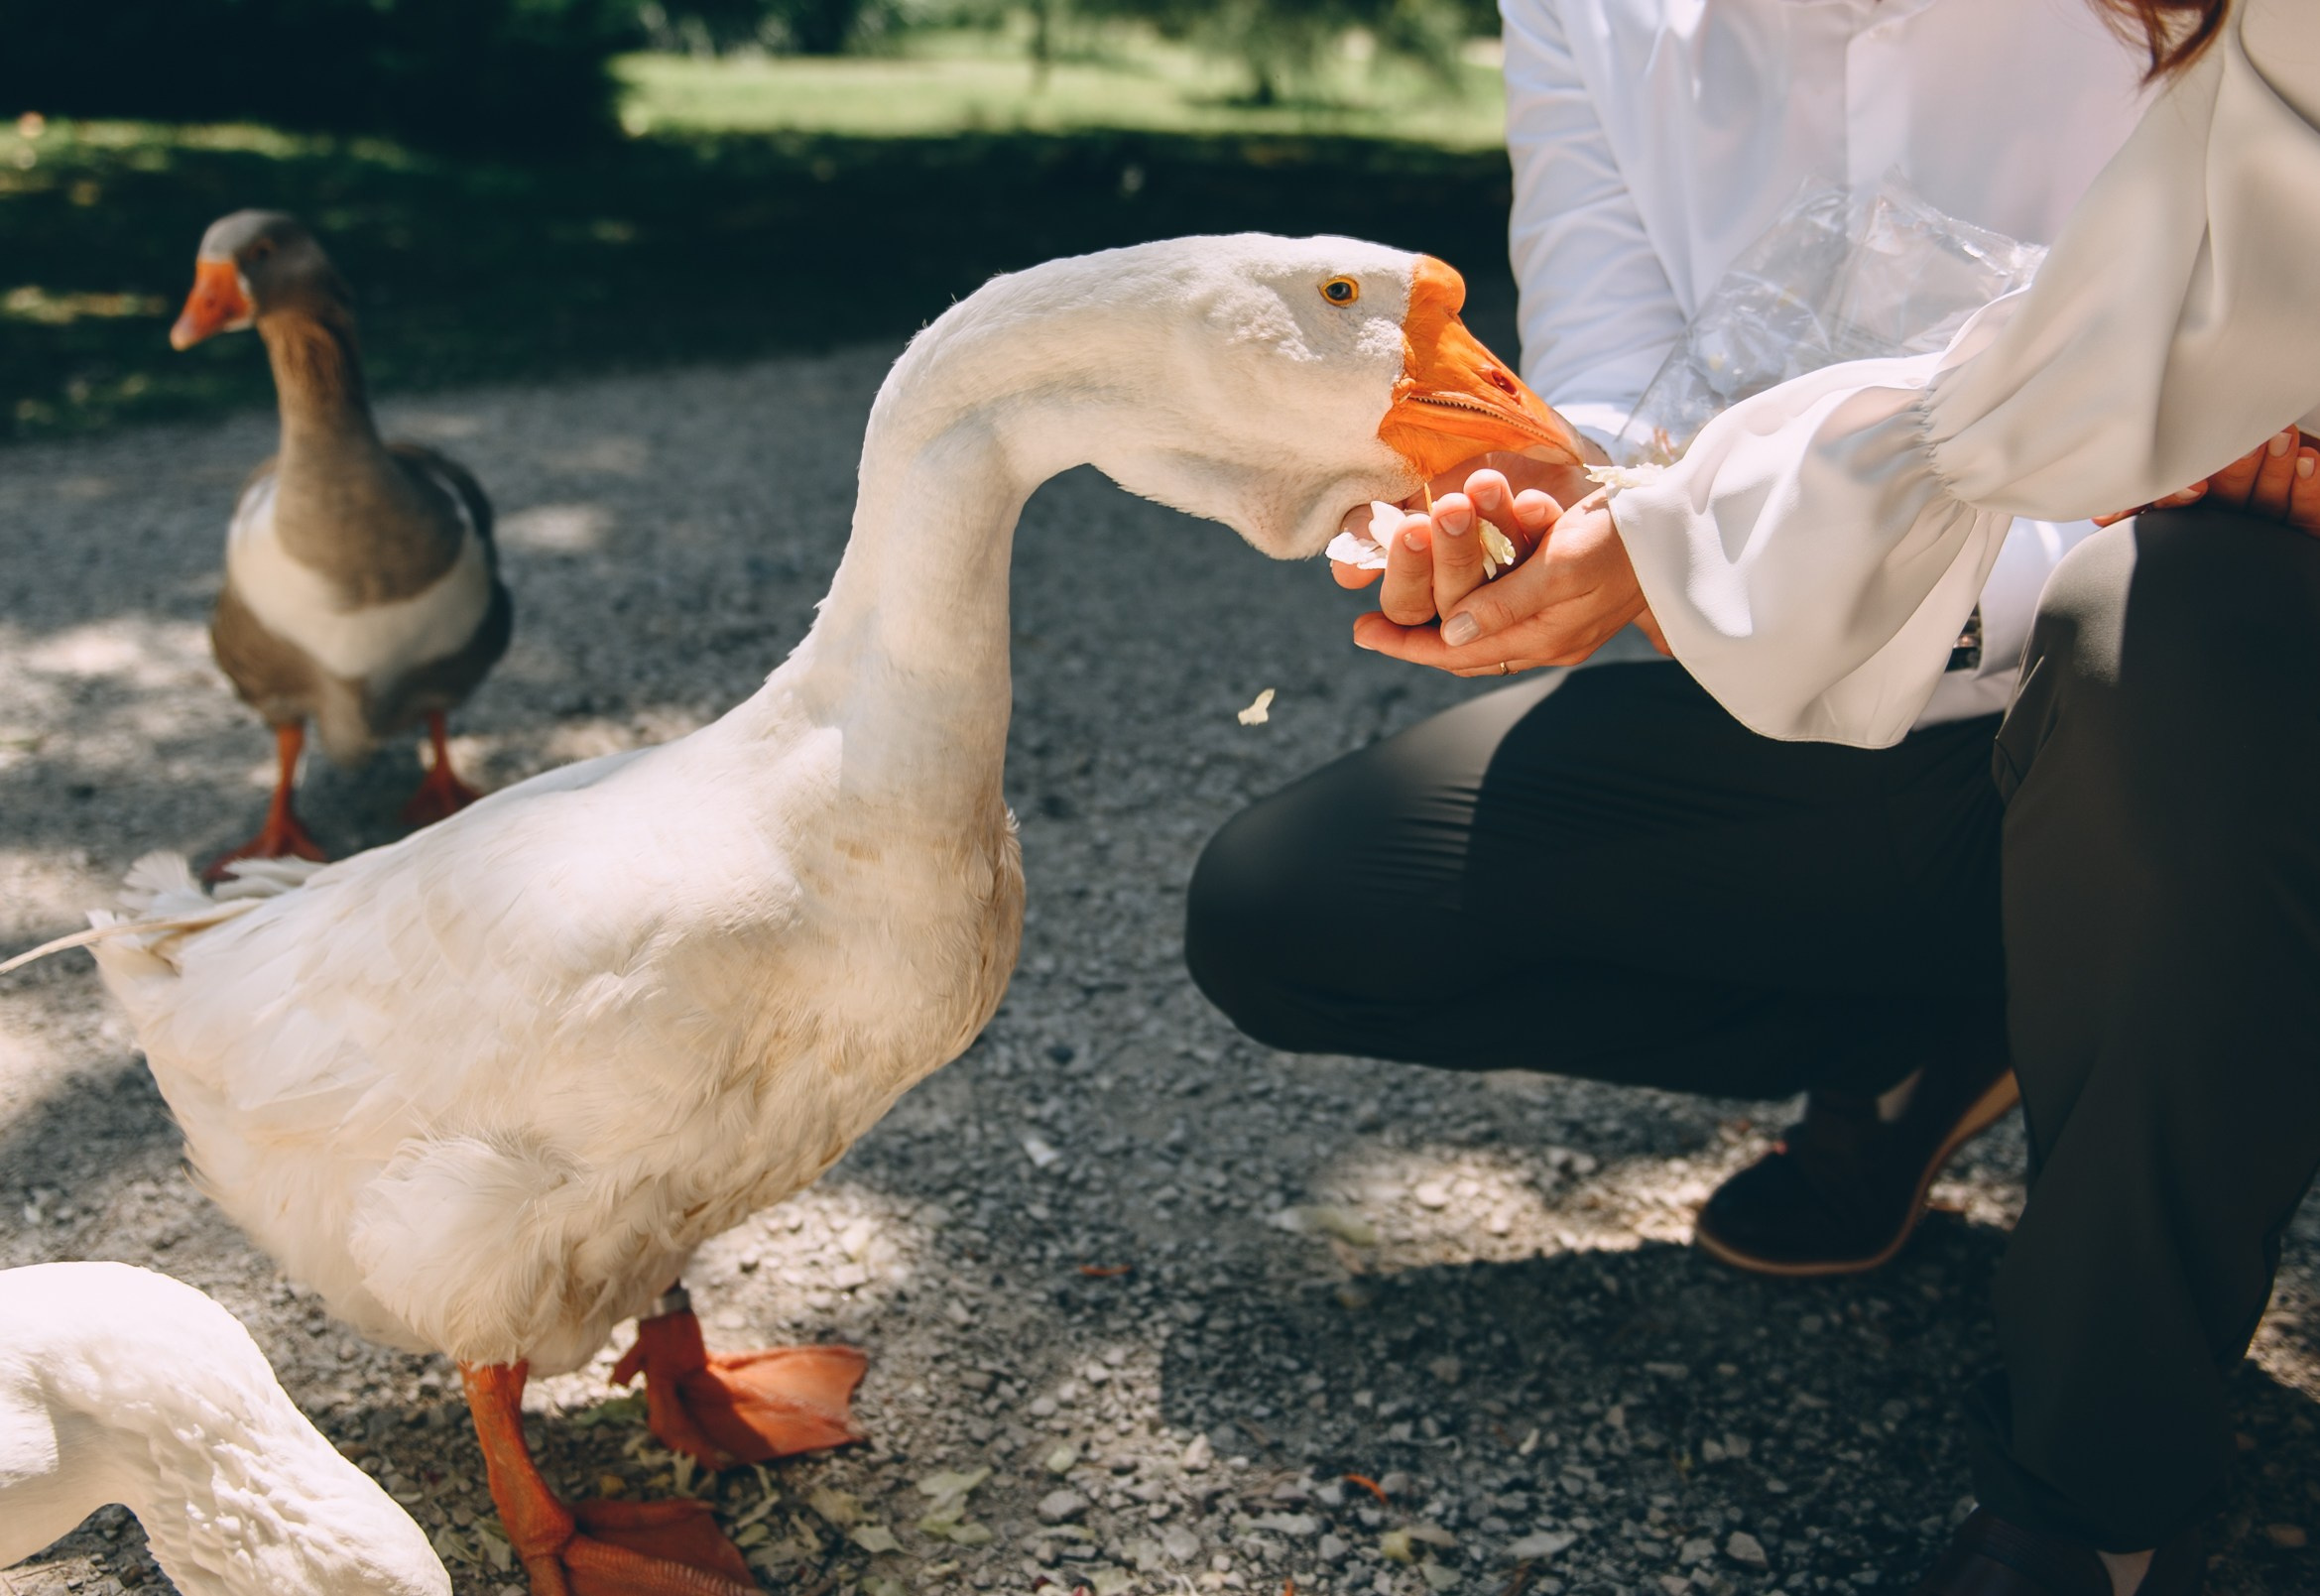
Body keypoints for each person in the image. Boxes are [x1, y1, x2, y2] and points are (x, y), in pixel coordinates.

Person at [1183, 0, 2320, 1591]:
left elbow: (2193, 370)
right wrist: (1536, 513)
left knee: (2170, 625)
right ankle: (1939, 1027)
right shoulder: (1583, 13)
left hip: (2187, 699)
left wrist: (1695, 551)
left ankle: (2091, 1486)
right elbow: (1619, 409)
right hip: (1818, 705)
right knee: (1290, 907)